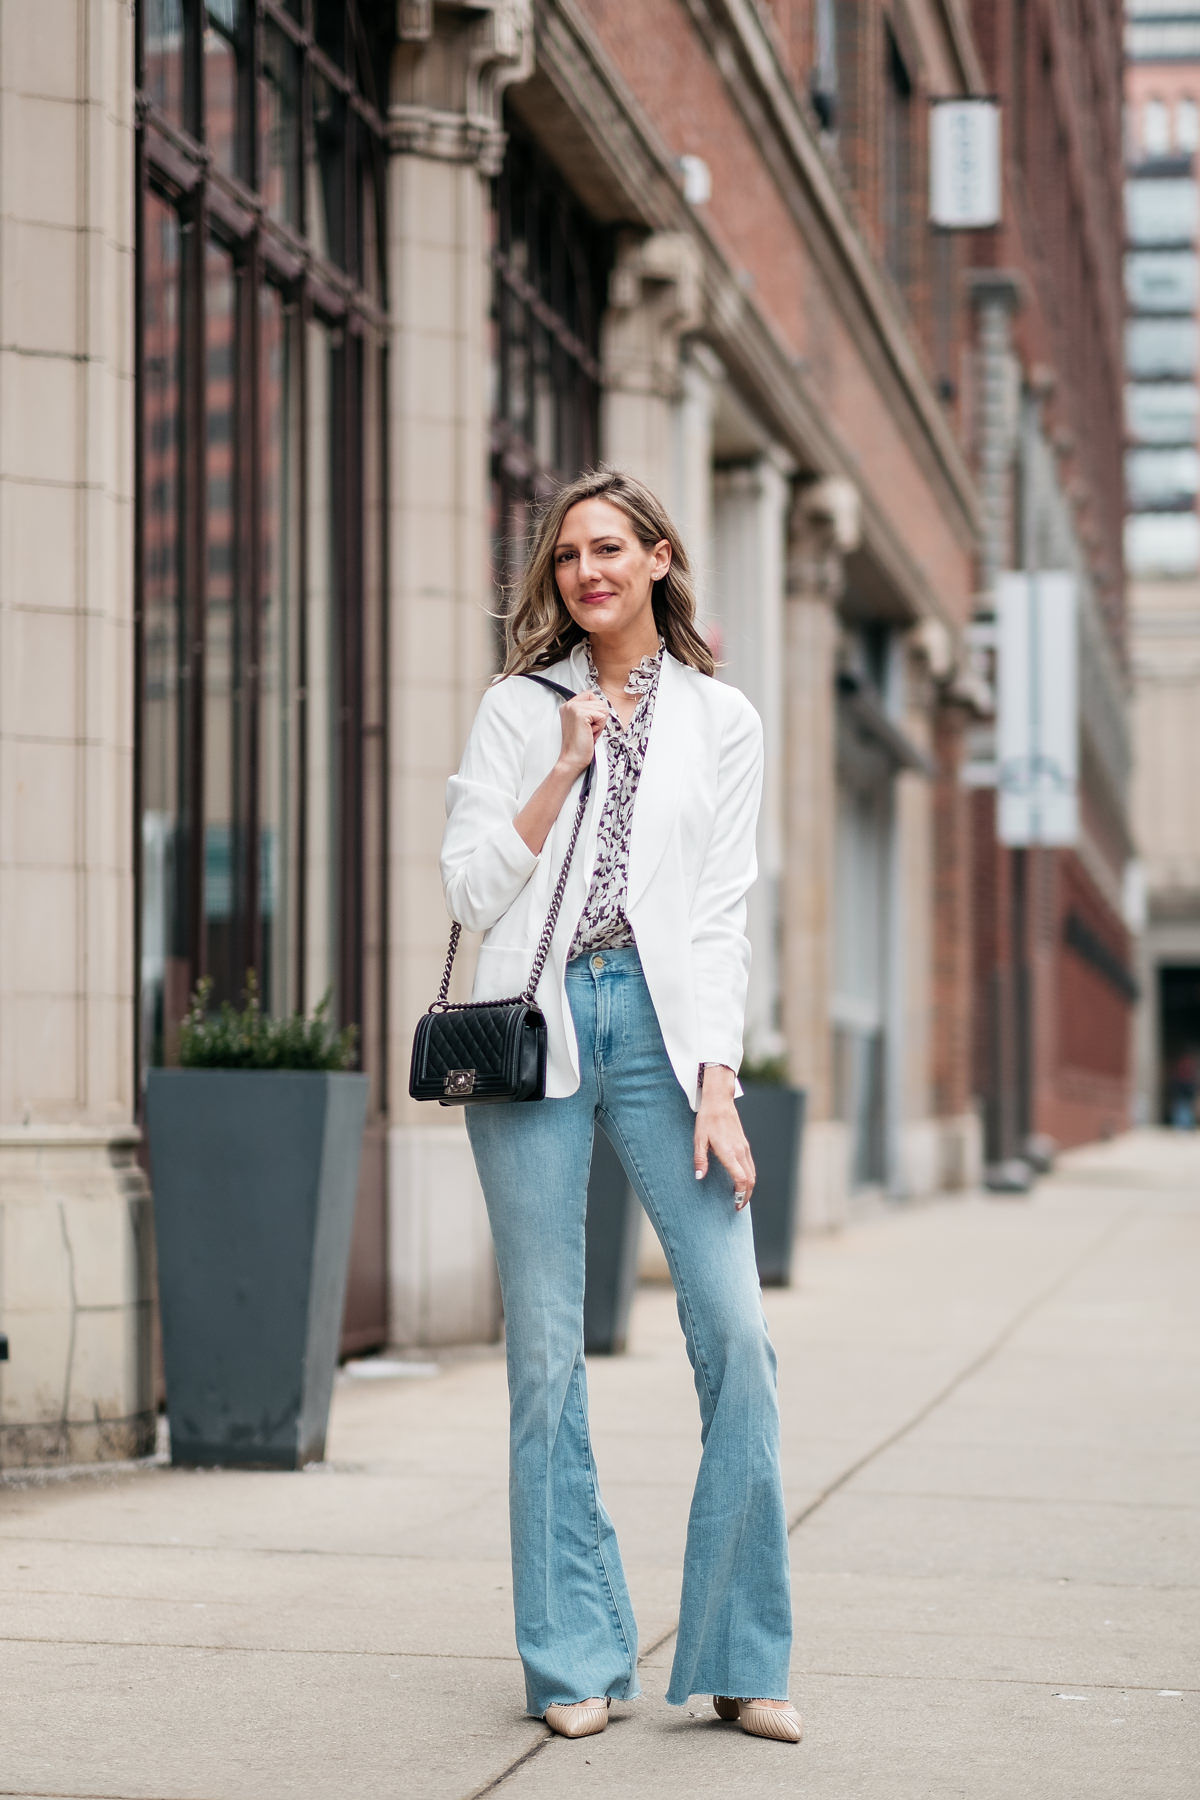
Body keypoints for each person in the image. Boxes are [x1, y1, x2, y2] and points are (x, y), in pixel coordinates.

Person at [440, 467, 800, 1745]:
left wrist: (720, 1083)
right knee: (545, 1356)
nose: (586, 572)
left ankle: (743, 1656)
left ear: (658, 557)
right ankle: (573, 1660)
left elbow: (717, 917)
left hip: (661, 1031)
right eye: (566, 557)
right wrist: (558, 770)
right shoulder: (514, 710)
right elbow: (476, 890)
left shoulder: (725, 721)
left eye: (609, 549)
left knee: (737, 1336)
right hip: (534, 1026)